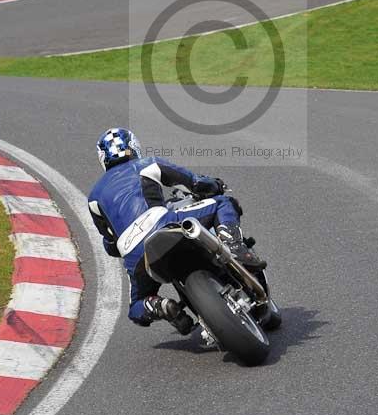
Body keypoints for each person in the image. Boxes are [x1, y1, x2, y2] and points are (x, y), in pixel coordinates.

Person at [88, 127, 266, 334]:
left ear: (102, 158)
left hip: (133, 252)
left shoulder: (94, 197)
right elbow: (194, 182)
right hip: (163, 222)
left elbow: (110, 245)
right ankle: (233, 246)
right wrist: (215, 185)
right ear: (133, 147)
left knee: (136, 305)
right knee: (222, 203)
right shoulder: (146, 164)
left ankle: (157, 306)